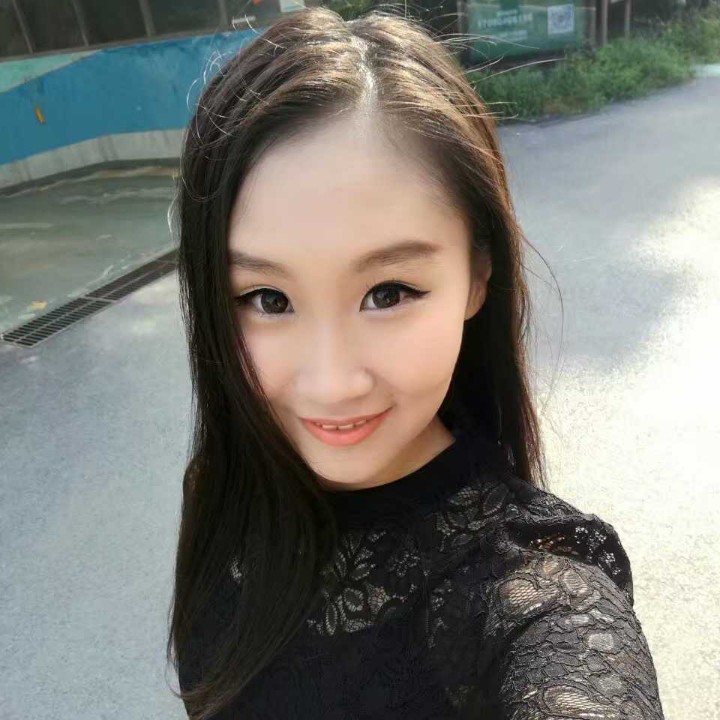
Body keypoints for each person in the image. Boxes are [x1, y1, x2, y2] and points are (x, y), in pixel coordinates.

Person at [167, 7, 665, 719]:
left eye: (388, 292)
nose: (332, 382)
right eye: (268, 299)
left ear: (478, 274)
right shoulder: (225, 489)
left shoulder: (539, 595)